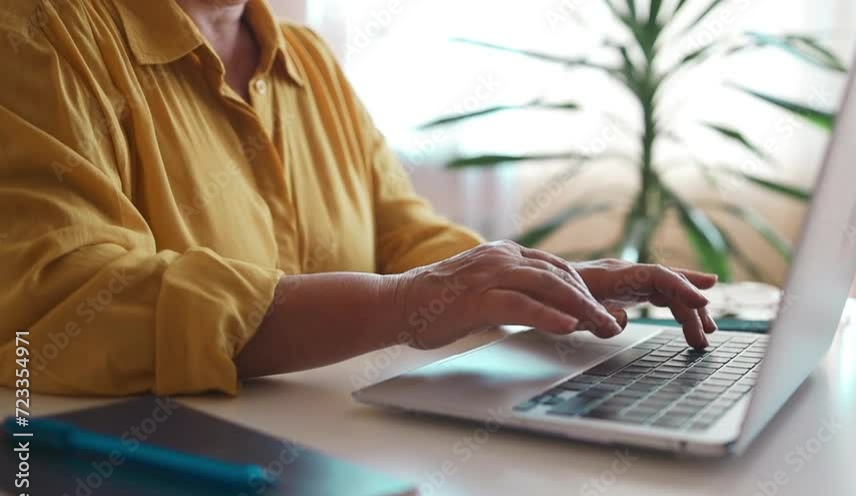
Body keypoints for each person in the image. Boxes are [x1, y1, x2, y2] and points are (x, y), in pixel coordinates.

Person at [0, 0, 717, 397]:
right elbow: (65, 298)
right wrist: (399, 304)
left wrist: (539, 281)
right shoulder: (37, 32)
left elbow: (405, 236)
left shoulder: (308, 59)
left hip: (344, 474)